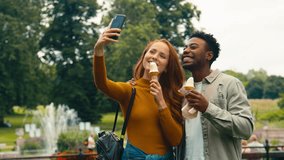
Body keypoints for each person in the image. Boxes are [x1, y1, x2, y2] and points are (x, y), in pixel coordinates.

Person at [93, 27, 185, 159]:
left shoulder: (174, 95)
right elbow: (102, 83)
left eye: (162, 56)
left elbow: (176, 140)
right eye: (152, 52)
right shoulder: (130, 90)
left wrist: (161, 103)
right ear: (144, 57)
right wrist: (98, 50)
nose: (155, 57)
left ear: (166, 67)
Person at [179, 31, 254, 160]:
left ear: (209, 55)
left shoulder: (230, 84)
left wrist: (208, 108)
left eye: (193, 47)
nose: (186, 50)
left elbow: (245, 128)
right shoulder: (181, 91)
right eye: (185, 47)